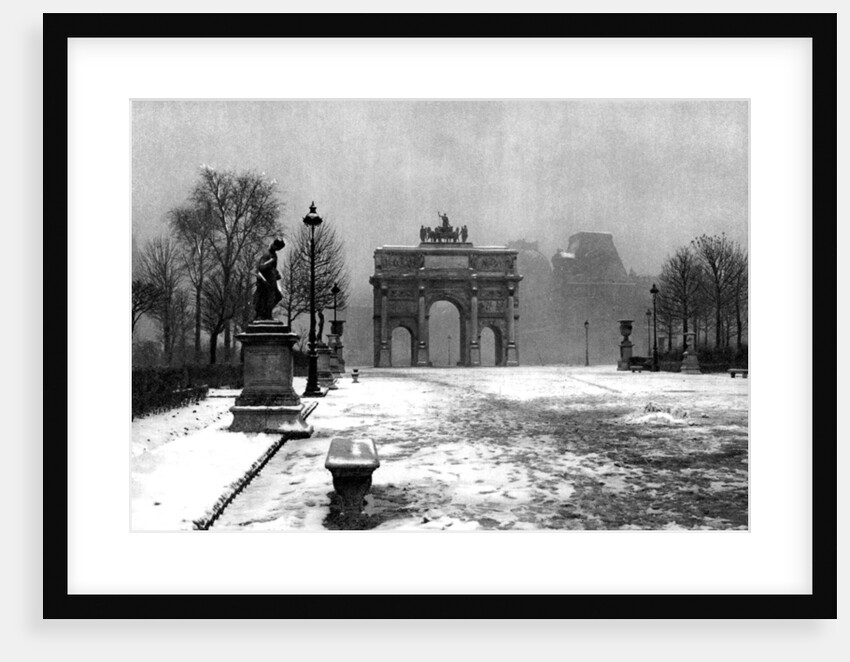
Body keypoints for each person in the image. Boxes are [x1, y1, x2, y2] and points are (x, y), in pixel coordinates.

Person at [253, 238, 285, 320]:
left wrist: (276, 274)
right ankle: (264, 313)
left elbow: (272, 267)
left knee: (276, 296)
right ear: (275, 245)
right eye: (278, 248)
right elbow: (261, 267)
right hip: (265, 280)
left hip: (271, 279)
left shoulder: (273, 253)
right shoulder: (267, 254)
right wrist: (270, 262)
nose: (278, 250)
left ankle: (266, 313)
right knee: (267, 297)